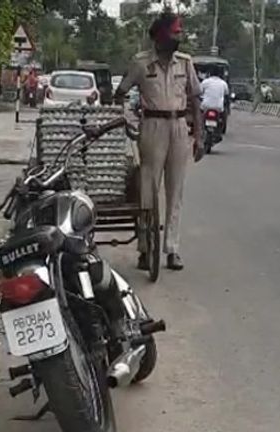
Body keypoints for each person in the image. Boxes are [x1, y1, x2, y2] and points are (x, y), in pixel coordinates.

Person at [114, 11, 203, 271]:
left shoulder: (185, 63)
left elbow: (195, 99)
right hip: (151, 126)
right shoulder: (141, 63)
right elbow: (120, 94)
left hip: (178, 127)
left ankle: (172, 249)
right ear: (162, 35)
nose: (180, 36)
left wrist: (199, 134)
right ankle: (145, 249)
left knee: (176, 192)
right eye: (175, 32)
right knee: (147, 191)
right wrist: (127, 121)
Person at [200, 66, 230, 130]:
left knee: (199, 115)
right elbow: (226, 94)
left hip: (205, 106)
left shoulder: (205, 82)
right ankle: (221, 127)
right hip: (218, 107)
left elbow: (200, 92)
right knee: (223, 114)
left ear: (209, 74)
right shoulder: (223, 83)